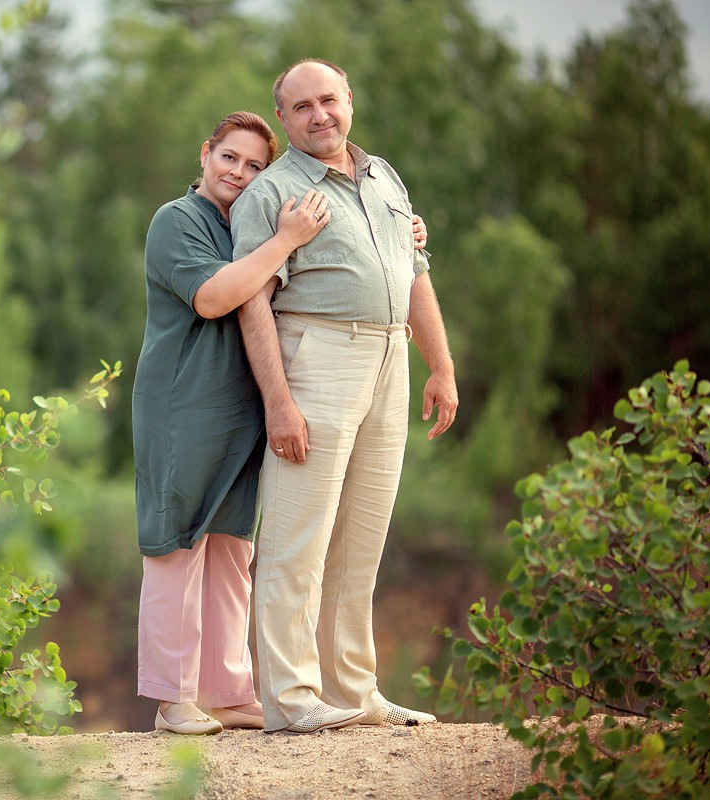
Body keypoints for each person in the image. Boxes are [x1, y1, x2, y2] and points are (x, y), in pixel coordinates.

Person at [133, 110, 429, 735]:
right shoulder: (176, 221)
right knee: (177, 545)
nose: (239, 174)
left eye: (254, 166)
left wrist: (395, 232)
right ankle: (171, 699)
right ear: (205, 153)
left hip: (240, 407)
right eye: (229, 158)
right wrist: (286, 240)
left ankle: (228, 692)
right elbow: (215, 297)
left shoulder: (240, 218)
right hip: (183, 407)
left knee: (233, 547)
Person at [230, 59, 459, 734]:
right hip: (316, 357)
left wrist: (440, 366)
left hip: (390, 356)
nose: (319, 115)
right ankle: (291, 697)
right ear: (283, 119)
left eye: (328, 100)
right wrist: (279, 403)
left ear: (349, 101)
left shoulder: (384, 176)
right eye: (301, 107)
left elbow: (414, 273)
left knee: (362, 540)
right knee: (297, 540)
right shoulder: (272, 194)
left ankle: (354, 692)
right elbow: (252, 303)